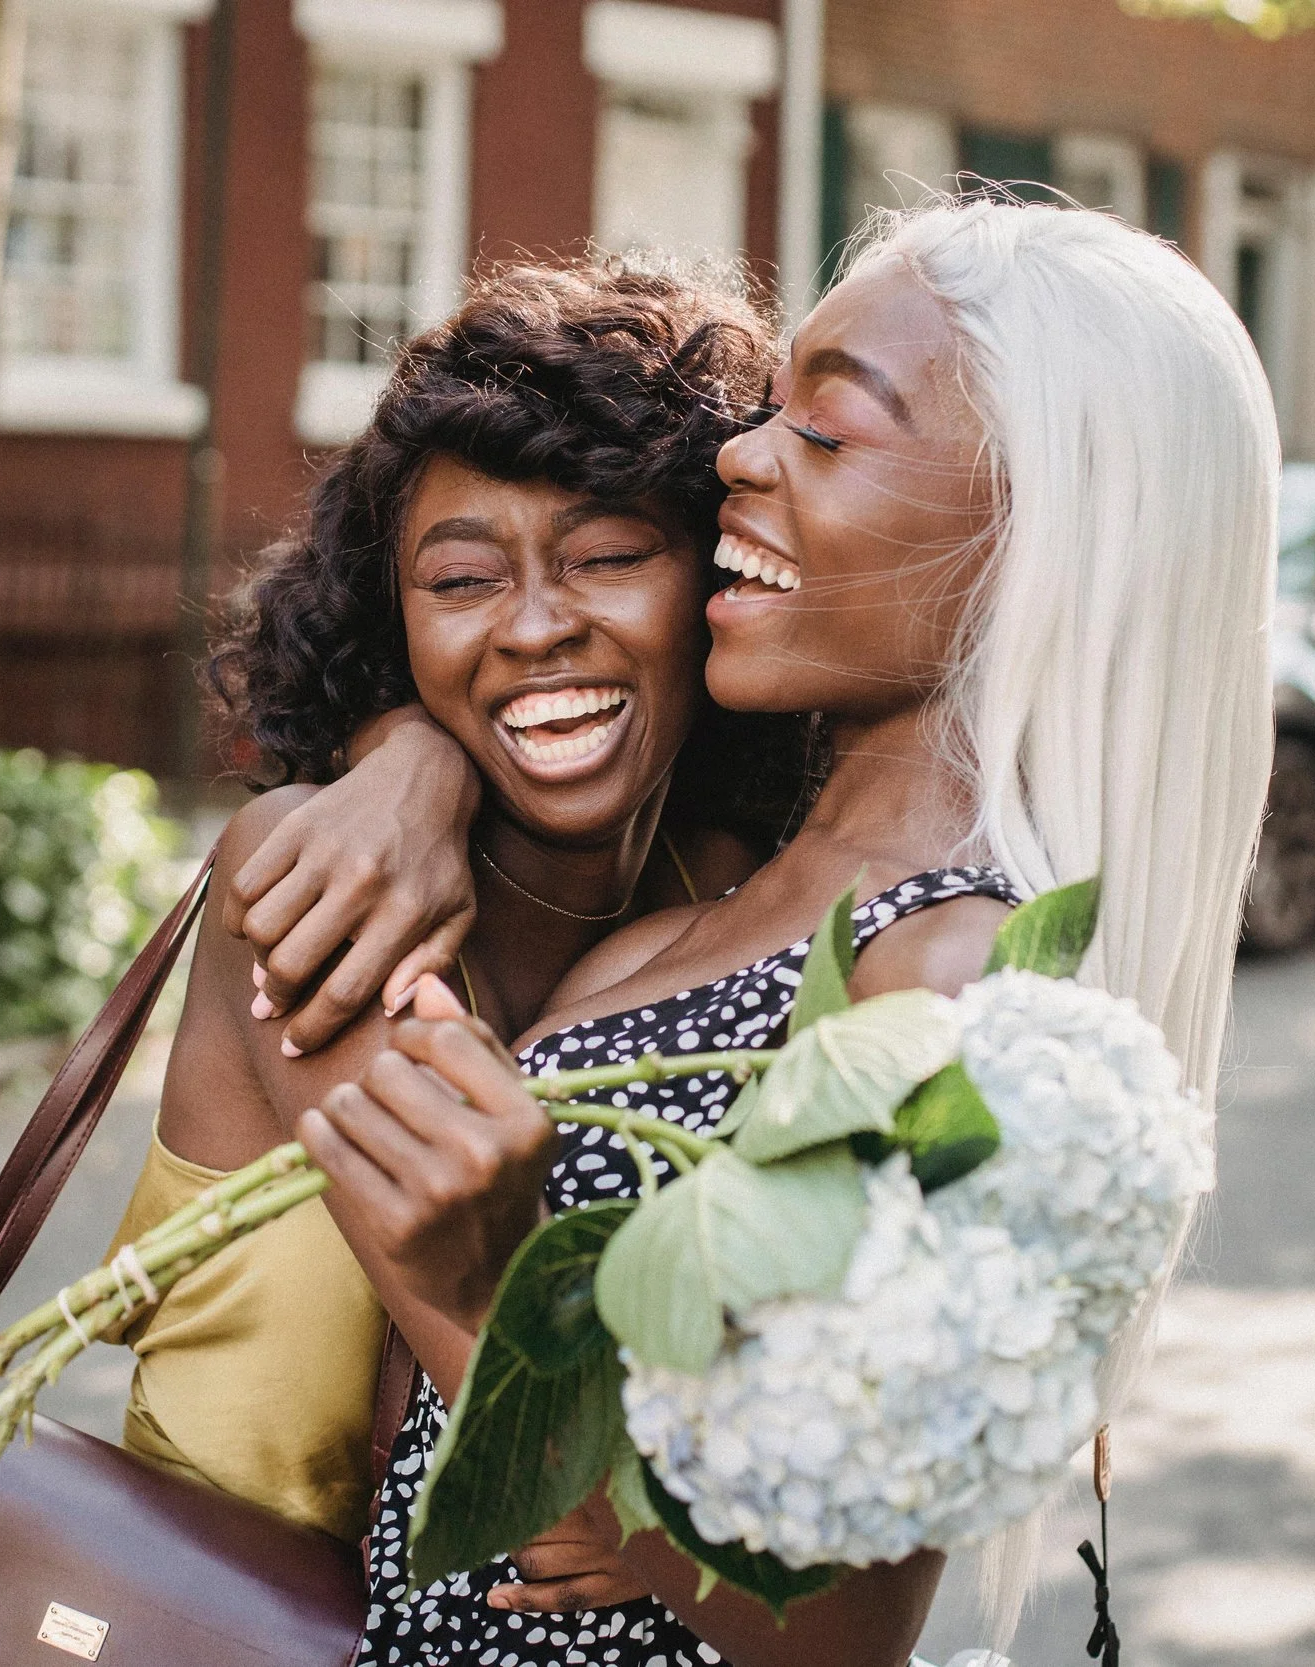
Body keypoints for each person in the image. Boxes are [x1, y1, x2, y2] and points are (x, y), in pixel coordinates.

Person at [278, 198, 1281, 1665]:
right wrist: (409, 756)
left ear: (1043, 531)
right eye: (769, 413)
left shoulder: (955, 978)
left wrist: (494, 1290)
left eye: (824, 430)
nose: (741, 457)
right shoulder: (728, 892)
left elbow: (845, 1632)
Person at [97, 261, 798, 1546]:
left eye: (607, 555)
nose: (533, 627)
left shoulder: (741, 889)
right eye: (463, 580)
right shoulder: (308, 871)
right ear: (396, 623)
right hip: (232, 1604)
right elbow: (525, 1422)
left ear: (716, 577)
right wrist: (661, 1526)